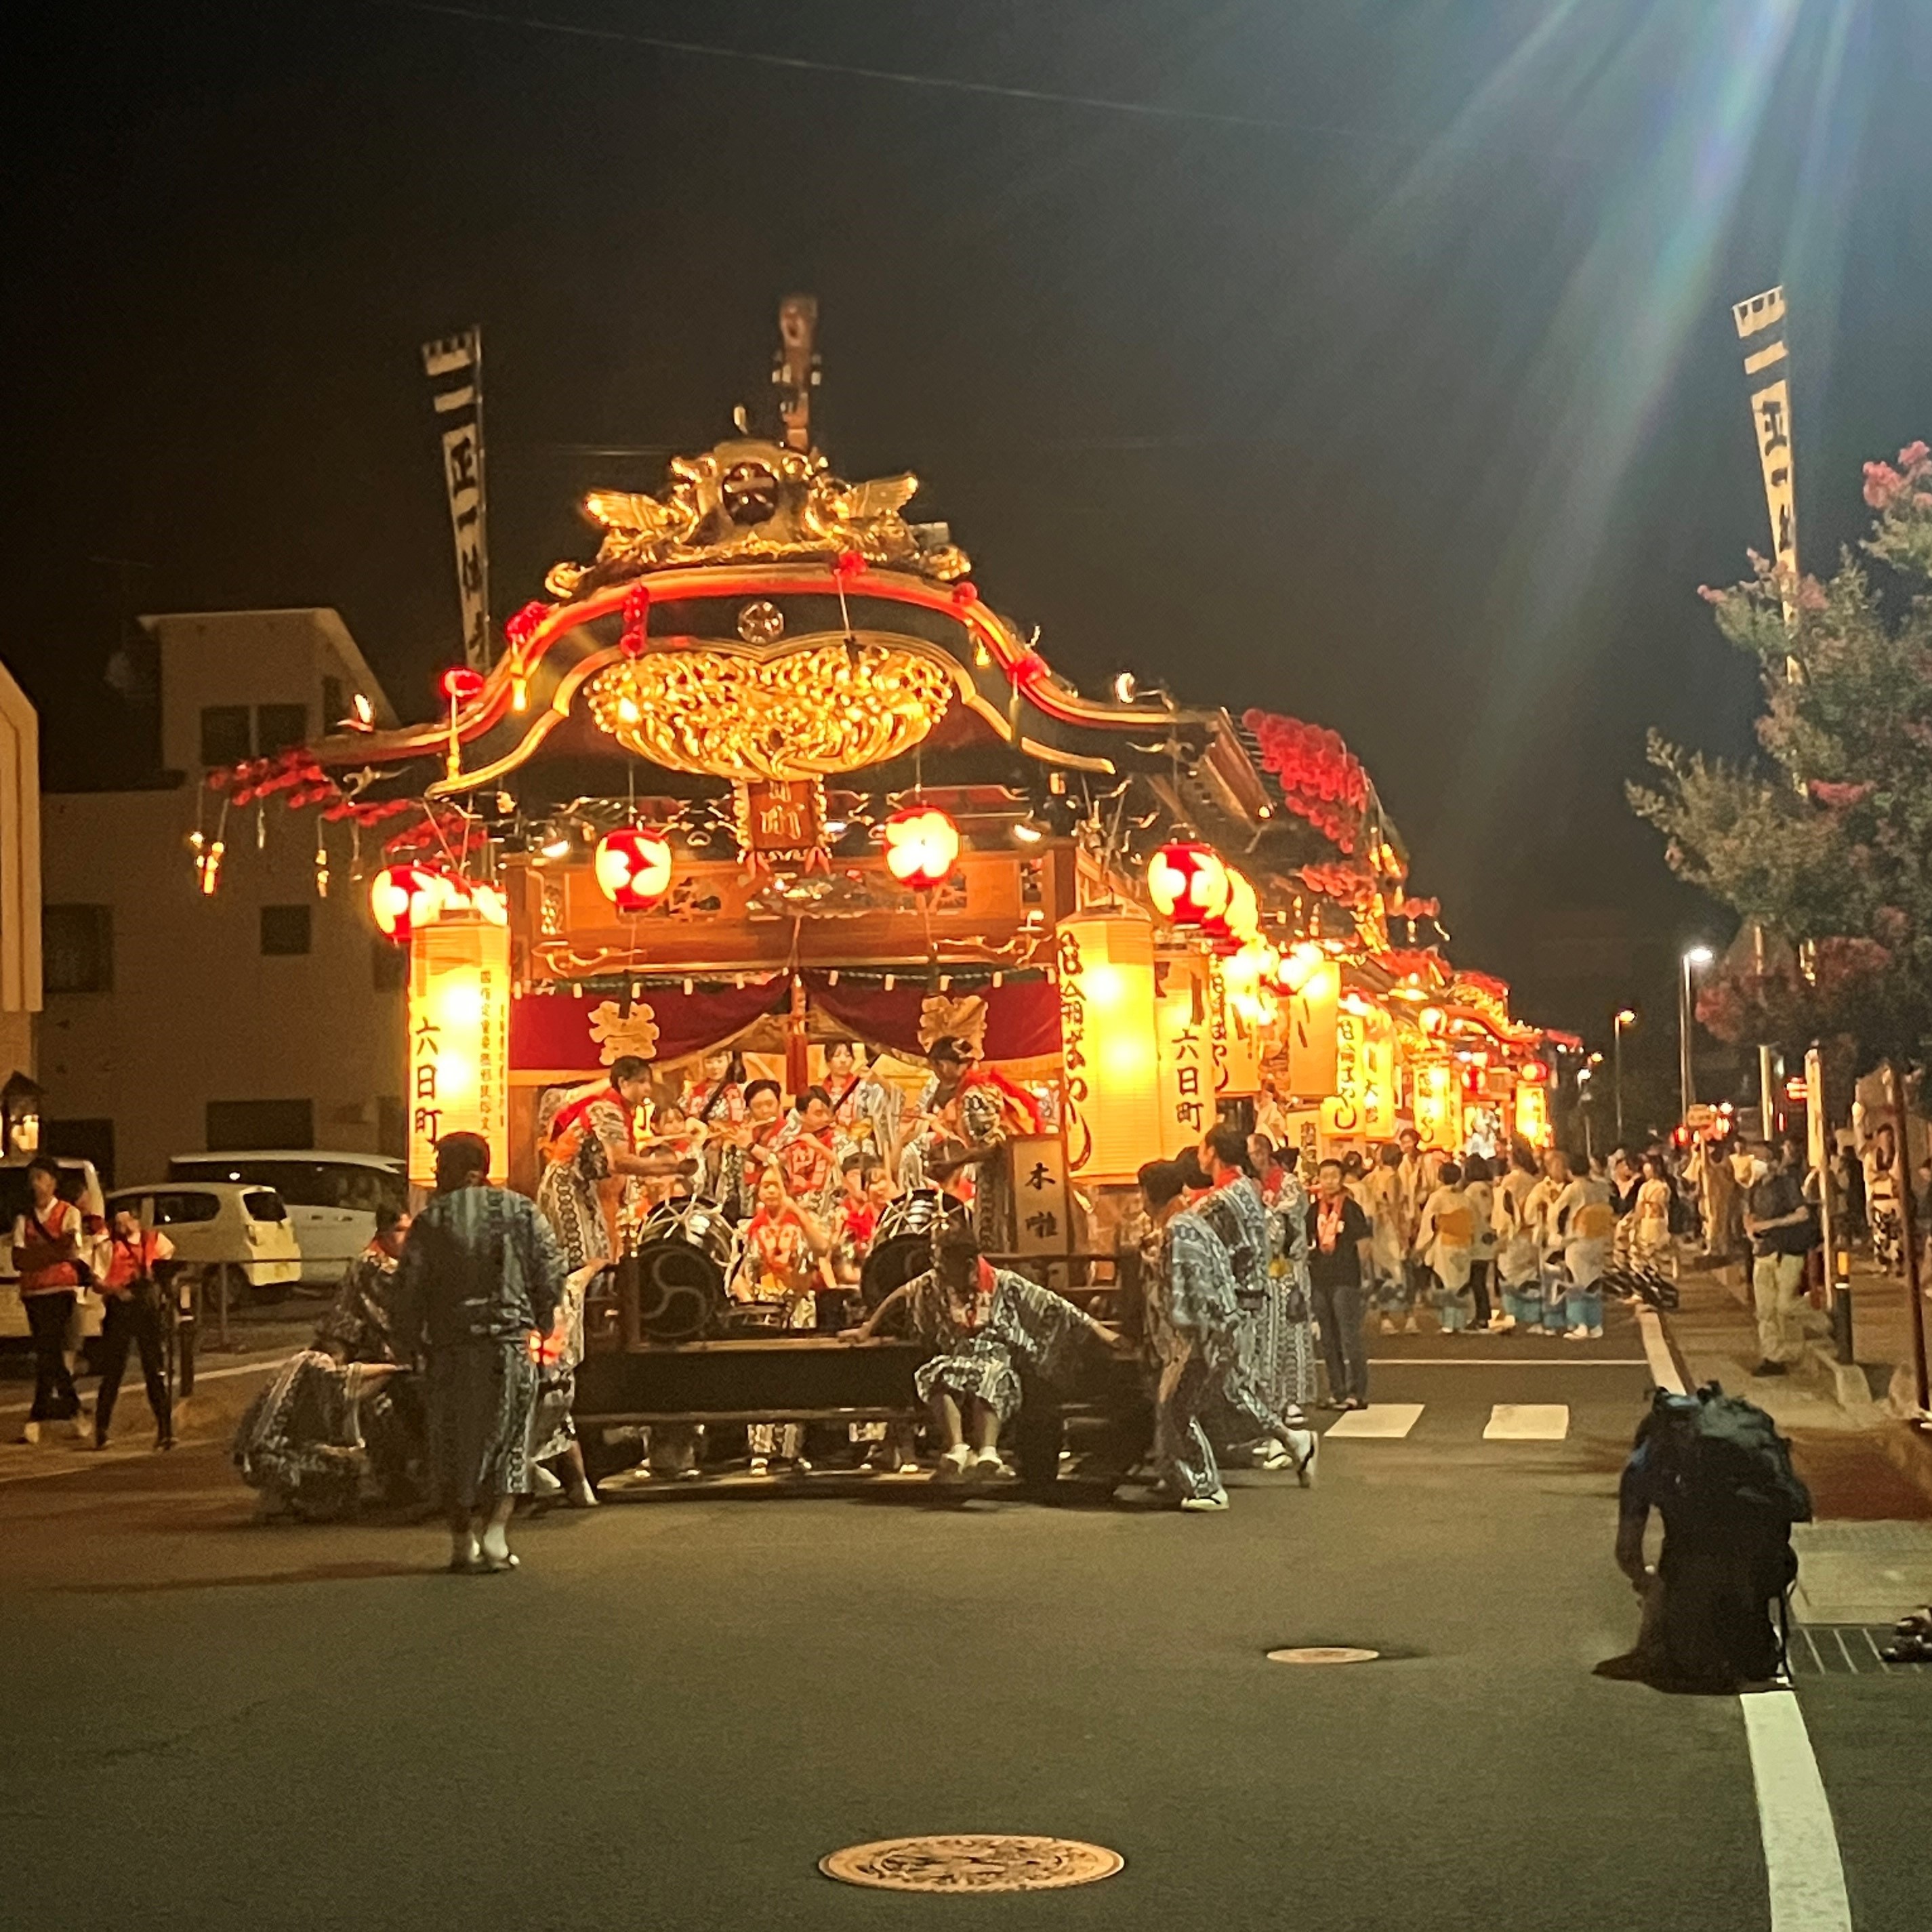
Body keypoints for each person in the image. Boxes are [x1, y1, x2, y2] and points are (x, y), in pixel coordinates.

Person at [392, 1132, 565, 1574]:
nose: (436, 1176)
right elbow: (550, 1269)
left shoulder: (431, 1221)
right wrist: (542, 1318)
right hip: (507, 1346)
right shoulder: (523, 1211)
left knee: (453, 1440)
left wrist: (408, 1340)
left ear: (467, 1171)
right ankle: (495, 1533)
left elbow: (409, 1288)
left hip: (450, 1348)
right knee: (507, 1438)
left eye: (442, 1167)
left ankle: (460, 1540)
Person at [849, 1211, 1126, 1483]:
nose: (939, 1267)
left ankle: (988, 1451)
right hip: (956, 1355)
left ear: (968, 1263)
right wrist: (868, 1327)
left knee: (990, 1379)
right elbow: (901, 1294)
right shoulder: (936, 1281)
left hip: (995, 1358)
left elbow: (1055, 1306)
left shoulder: (1003, 1282)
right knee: (938, 1375)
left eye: (944, 1261)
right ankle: (957, 1447)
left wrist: (1103, 1333)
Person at [1136, 1158, 1312, 1509]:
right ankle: (1291, 1442)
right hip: (1218, 1332)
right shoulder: (1188, 1224)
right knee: (1217, 1400)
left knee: (1178, 1407)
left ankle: (1206, 1486)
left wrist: (1192, 1339)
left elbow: (1193, 1292)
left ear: (1149, 1194)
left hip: (1202, 1337)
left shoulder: (1181, 1231)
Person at [537, 1057, 687, 1271]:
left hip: (585, 1189)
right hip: (567, 1186)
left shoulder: (620, 1111)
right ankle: (572, 1304)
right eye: (642, 1082)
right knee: (581, 1259)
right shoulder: (606, 1110)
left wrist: (671, 1167)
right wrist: (669, 1166)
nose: (647, 1088)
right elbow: (619, 1162)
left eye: (649, 1082)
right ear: (624, 1083)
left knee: (601, 1255)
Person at [734, 1166, 833, 1474]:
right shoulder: (748, 1228)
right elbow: (737, 1275)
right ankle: (761, 1450)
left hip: (798, 1303)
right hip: (764, 1305)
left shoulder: (803, 1222)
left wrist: (799, 1212)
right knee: (761, 1375)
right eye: (766, 1186)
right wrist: (752, 1303)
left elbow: (822, 1248)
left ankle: (792, 1450)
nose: (771, 1191)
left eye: (777, 1185)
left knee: (796, 1373)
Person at [11, 1157, 91, 1442]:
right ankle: (72, 1411)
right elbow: (19, 1259)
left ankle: (38, 1418)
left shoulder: (68, 1212)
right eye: (33, 1178)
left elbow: (70, 1249)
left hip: (61, 1290)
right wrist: (52, 1252)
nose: (37, 1184)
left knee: (49, 1351)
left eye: (42, 1178)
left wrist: (39, 1256)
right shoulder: (23, 1218)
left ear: (53, 1182)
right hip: (33, 1293)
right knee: (49, 1354)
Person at [93, 1205, 176, 1452]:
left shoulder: (156, 1241)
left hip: (147, 1309)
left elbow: (170, 1266)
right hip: (120, 1309)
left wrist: (161, 1284)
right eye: (117, 1223)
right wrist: (116, 1291)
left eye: (125, 1221)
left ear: (137, 1219)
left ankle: (165, 1429)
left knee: (154, 1369)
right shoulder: (108, 1247)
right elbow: (96, 1280)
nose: (121, 1227)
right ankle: (102, 1428)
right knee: (113, 1371)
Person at [1743, 1139, 1816, 1377]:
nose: (1755, 1163)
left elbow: (1803, 1214)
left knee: (1784, 1305)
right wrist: (1752, 1230)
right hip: (1763, 1252)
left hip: (1787, 1250)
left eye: (1760, 1158)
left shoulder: (1786, 1184)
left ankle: (1821, 1321)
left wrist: (1772, 1224)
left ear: (1773, 1161)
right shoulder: (1754, 1189)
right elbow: (1749, 1215)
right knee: (1765, 1310)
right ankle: (1773, 1357)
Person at [1305, 1157, 1374, 1410]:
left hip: (1346, 1278)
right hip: (1321, 1278)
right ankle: (1337, 1390)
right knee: (1328, 1337)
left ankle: (1357, 1391)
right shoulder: (1313, 1212)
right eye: (1325, 1176)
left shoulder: (1351, 1209)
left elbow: (1364, 1243)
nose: (1330, 1181)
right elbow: (1305, 1241)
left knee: (1349, 1335)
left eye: (1334, 1176)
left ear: (1342, 1179)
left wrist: (1364, 1274)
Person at [314, 1206, 411, 1363]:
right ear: (383, 1233)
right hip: (351, 1339)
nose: (408, 1236)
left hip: (368, 1337)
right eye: (400, 1230)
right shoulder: (371, 1262)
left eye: (410, 1229)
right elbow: (390, 1310)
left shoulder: (399, 1261)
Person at [1550, 1149, 1616, 1338]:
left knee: (1576, 1282)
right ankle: (1595, 1323)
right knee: (1594, 1281)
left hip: (1578, 1240)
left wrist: (1557, 1235)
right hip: (1599, 1239)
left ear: (1570, 1171)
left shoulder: (1574, 1188)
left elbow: (1557, 1211)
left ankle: (1580, 1324)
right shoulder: (1601, 1187)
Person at [1416, 1159, 1477, 1332]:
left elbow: (1429, 1222)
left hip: (1445, 1242)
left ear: (1441, 1177)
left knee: (1445, 1280)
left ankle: (1448, 1322)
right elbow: (1474, 1222)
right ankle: (1460, 1321)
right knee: (1461, 1281)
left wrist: (1422, 1245)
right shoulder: (1465, 1198)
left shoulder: (1437, 1197)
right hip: (1464, 1243)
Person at [1492, 1139, 1543, 1332]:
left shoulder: (1511, 1181)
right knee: (1530, 1275)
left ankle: (1511, 1316)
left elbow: (1505, 1209)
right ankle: (1535, 1317)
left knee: (1509, 1273)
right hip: (1530, 1233)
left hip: (1514, 1233)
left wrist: (1502, 1232)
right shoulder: (1533, 1181)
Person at [1365, 1144, 1410, 1334]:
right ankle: (1405, 1317)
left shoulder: (1372, 1177)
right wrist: (1402, 1233)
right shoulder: (1392, 1177)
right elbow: (1394, 1206)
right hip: (1389, 1227)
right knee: (1398, 1270)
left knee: (1381, 1272)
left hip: (1376, 1226)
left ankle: (1385, 1317)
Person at [1462, 1153, 1498, 1330]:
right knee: (1478, 1279)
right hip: (1484, 1239)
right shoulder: (1485, 1187)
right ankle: (1481, 1314)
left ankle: (1481, 1315)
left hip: (1478, 1239)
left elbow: (1485, 1211)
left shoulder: (1476, 1189)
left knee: (1477, 1280)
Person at [1632, 1155, 1678, 1276]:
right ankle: (1669, 1266)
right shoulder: (1665, 1186)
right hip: (1662, 1220)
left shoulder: (1646, 1187)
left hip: (1649, 1221)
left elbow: (1640, 1208)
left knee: (1647, 1249)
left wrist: (1635, 1223)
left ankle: (1653, 1271)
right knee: (1661, 1248)